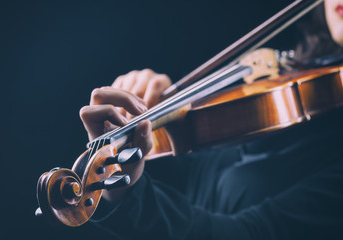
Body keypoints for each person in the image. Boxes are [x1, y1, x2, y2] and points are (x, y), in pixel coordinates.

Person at [79, 1, 343, 239]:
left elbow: (247, 232)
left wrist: (128, 196)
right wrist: (162, 115)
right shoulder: (298, 86)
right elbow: (200, 180)